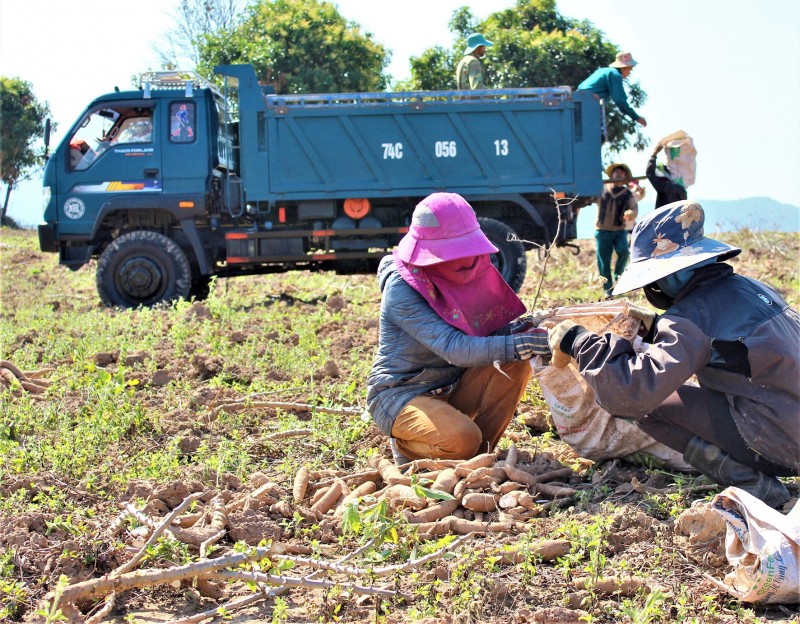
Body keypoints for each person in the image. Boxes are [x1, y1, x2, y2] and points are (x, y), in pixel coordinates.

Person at [548, 200, 799, 508]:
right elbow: (727, 346)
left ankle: (755, 486)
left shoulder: (690, 316)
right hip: (786, 415)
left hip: (784, 441)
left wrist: (579, 341)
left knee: (648, 406)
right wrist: (657, 328)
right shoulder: (753, 288)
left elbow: (630, 391)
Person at [366, 192, 551, 465]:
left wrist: (530, 328)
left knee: (515, 360)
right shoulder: (402, 288)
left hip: (454, 385)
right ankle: (410, 448)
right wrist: (520, 343)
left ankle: (478, 455)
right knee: (462, 438)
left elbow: (492, 333)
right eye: (454, 252)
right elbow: (454, 347)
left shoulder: (474, 267)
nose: (466, 261)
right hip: (403, 394)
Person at [595, 163, 639, 296]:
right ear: (612, 175)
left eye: (621, 173)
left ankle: (619, 280)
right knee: (604, 260)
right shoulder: (602, 188)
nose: (618, 175)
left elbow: (634, 209)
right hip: (602, 230)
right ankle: (608, 289)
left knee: (624, 252)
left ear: (625, 176)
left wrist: (631, 213)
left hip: (619, 230)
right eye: (616, 172)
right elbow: (590, 198)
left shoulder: (627, 194)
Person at [578, 51, 647, 127]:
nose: (629, 73)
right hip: (588, 105)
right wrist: (636, 117)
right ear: (624, 68)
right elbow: (619, 100)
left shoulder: (602, 70)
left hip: (578, 101)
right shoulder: (615, 75)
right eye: (629, 69)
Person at [646, 143, 688, 208]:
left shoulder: (667, 186)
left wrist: (654, 154)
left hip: (664, 217)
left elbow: (650, 174)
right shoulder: (682, 189)